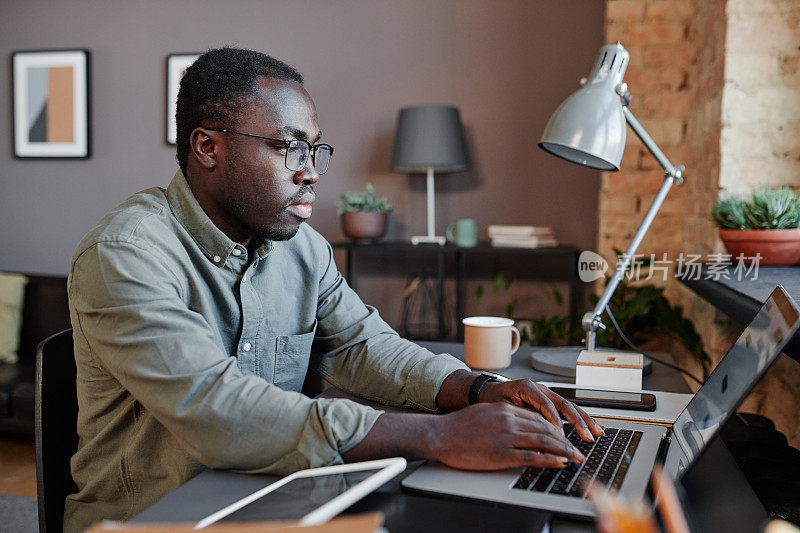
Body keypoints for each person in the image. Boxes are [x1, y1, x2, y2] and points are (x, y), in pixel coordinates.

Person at [65, 47, 603, 533]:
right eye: (289, 149)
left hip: (283, 500)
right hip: (159, 521)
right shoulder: (125, 255)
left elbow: (365, 347)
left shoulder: (303, 249)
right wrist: (438, 436)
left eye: (314, 151)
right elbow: (217, 408)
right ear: (207, 147)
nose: (311, 173)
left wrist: (479, 388)